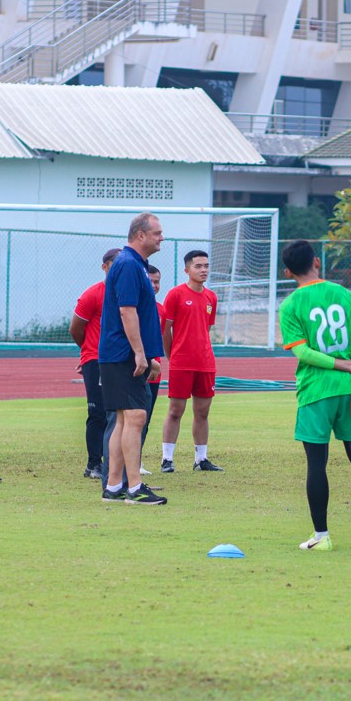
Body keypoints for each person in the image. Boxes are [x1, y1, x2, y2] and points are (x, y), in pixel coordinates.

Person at [278, 240, 351, 551]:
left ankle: (321, 537)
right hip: (350, 390)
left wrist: (338, 365)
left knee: (316, 464)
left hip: (315, 391)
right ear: (316, 263)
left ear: (287, 271)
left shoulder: (290, 305)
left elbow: (303, 352)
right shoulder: (346, 295)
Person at [99, 213, 166, 506]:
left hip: (121, 354)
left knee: (126, 419)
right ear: (140, 235)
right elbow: (127, 311)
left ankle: (114, 487)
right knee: (135, 417)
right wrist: (139, 353)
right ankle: (134, 487)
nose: (161, 238)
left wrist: (148, 355)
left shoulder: (136, 265)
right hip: (123, 354)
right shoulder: (128, 265)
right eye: (157, 233)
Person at [161, 250, 223, 473]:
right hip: (181, 363)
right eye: (198, 266)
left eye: (206, 265)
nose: (203, 270)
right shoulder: (176, 294)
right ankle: (167, 459)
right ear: (187, 270)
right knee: (176, 410)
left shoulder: (211, 297)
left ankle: (201, 459)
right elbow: (165, 330)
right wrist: (172, 355)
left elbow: (205, 329)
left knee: (203, 412)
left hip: (205, 363)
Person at [70, 248, 120, 480]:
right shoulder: (93, 294)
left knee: (119, 413)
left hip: (120, 359)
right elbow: (76, 328)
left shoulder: (127, 293)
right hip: (96, 361)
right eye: (115, 263)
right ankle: (93, 464)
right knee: (98, 412)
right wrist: (88, 352)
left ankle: (115, 462)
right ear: (105, 266)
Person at [138, 264, 165, 475]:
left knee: (145, 419)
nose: (154, 286)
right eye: (151, 281)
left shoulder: (160, 309)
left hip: (154, 373)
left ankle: (136, 461)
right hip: (137, 369)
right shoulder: (133, 307)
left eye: (157, 282)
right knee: (131, 419)